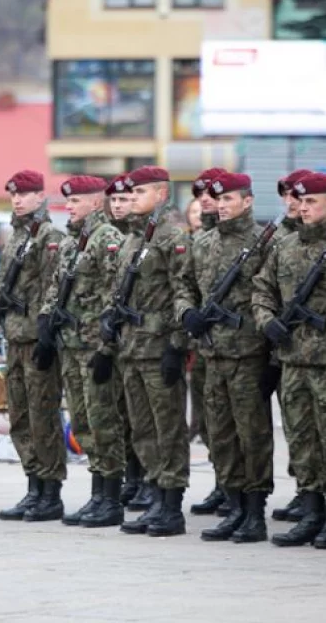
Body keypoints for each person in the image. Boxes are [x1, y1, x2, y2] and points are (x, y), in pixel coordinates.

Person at [252, 172, 326, 550]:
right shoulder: (283, 246)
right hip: (293, 363)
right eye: (300, 202)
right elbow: (262, 289)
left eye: (312, 202)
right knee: (301, 441)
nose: (303, 208)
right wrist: (268, 322)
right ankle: (310, 512)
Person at [180, 172, 274, 544]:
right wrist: (188, 313)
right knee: (220, 434)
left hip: (249, 353)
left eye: (229, 200)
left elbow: (274, 294)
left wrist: (273, 358)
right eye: (217, 200)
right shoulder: (203, 242)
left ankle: (254, 512)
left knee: (252, 435)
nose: (221, 206)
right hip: (212, 352)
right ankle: (233, 505)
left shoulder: (265, 242)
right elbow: (184, 286)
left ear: (247, 201)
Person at [102, 165, 193, 538]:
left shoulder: (173, 237)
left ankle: (171, 505)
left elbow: (184, 291)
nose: (132, 199)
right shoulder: (133, 240)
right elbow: (117, 291)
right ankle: (155, 495)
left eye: (139, 193)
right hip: (131, 349)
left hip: (159, 349)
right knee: (142, 430)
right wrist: (109, 328)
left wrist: (177, 345)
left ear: (160, 194)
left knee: (168, 428)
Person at [40, 175, 125, 528]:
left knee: (103, 421)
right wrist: (45, 322)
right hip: (71, 345)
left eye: (75, 202)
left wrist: (106, 347)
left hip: (93, 345)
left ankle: (111, 498)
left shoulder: (108, 239)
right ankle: (97, 494)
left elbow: (115, 296)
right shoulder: (75, 241)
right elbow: (57, 287)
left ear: (94, 202)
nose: (69, 208)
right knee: (84, 423)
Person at [0, 170, 67, 522]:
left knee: (42, 417)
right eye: (14, 195)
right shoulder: (16, 235)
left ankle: (50, 492)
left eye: (25, 194)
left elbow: (55, 286)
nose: (18, 200)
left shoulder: (50, 236)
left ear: (41, 196)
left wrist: (46, 331)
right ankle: (33, 486)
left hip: (36, 337)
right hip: (14, 335)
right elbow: (4, 282)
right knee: (19, 415)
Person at [186, 168, 231, 519]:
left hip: (236, 346)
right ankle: (222, 482)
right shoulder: (199, 241)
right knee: (209, 420)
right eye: (199, 194)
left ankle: (237, 490)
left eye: (211, 195)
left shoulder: (245, 240)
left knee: (237, 424)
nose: (204, 200)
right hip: (204, 345)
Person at [269, 168, 311, 523]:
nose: (291, 203)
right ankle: (303, 491)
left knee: (321, 429)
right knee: (295, 424)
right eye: (287, 197)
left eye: (298, 197)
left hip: (321, 351)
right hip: (282, 350)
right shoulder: (277, 238)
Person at [105, 174, 145, 509]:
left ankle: (142, 477)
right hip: (111, 337)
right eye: (114, 201)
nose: (119, 206)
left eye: (124, 200)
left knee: (138, 415)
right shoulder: (105, 237)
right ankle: (129, 477)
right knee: (119, 411)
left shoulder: (138, 237)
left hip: (137, 339)